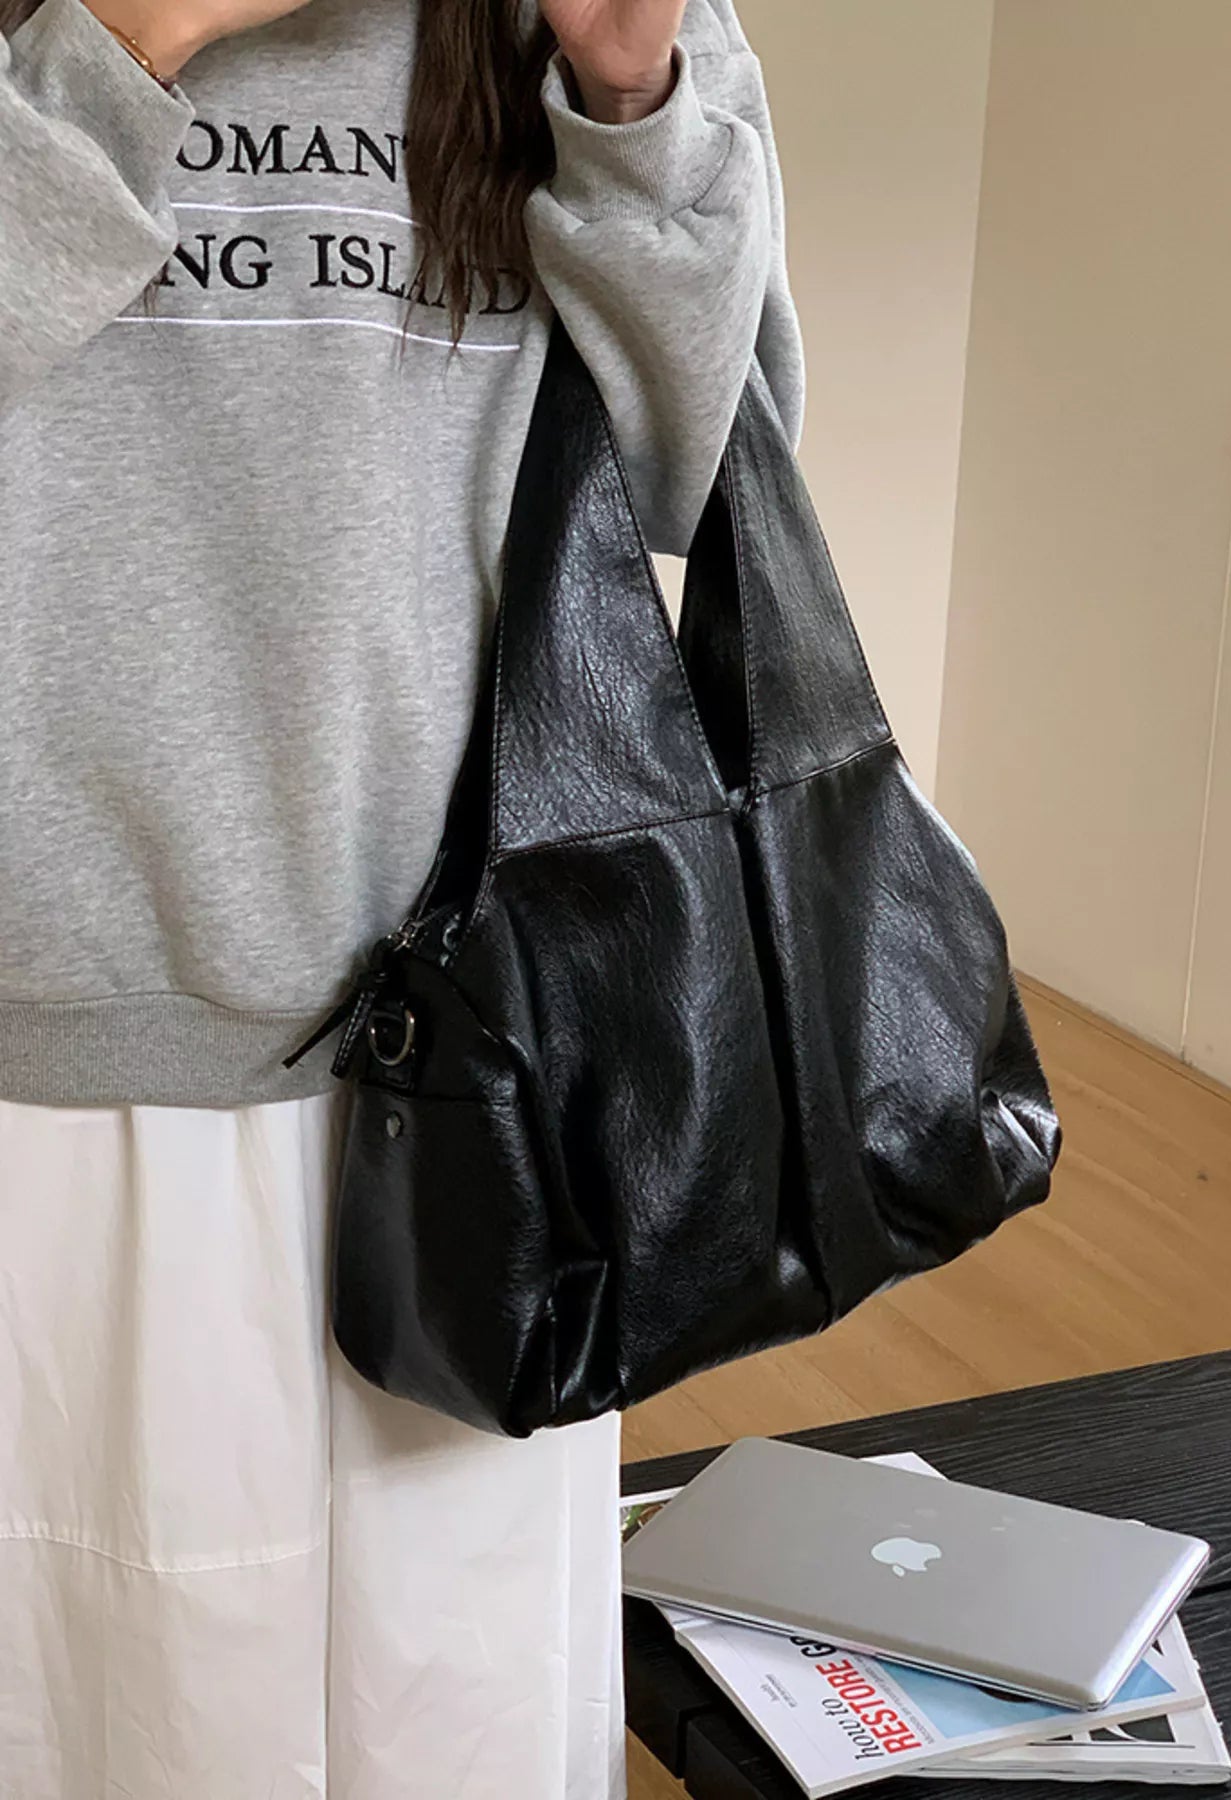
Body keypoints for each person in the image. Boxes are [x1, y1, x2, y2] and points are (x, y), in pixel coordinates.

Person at [0, 0, 804, 1791]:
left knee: (449, 1710)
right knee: (108, 1700)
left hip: (477, 1042)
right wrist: (138, 34)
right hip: (54, 1050)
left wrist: (626, 93)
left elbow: (697, 471)